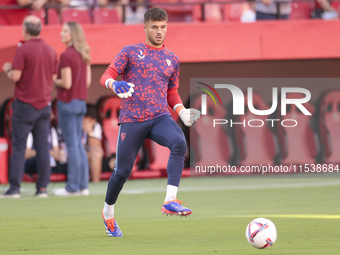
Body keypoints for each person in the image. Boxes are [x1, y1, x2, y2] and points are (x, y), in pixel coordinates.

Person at [99, 6, 200, 237]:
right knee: (122, 172)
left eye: (163, 27)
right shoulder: (130, 52)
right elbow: (106, 75)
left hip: (159, 117)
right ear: (145, 27)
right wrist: (114, 85)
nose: (159, 31)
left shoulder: (172, 59)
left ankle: (170, 200)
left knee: (179, 143)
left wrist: (182, 111)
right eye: (154, 27)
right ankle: (108, 213)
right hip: (132, 119)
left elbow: (171, 92)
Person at [1, 15, 58, 198]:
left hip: (25, 105)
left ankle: (14, 189)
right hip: (44, 105)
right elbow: (53, 78)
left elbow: (15, 76)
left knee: (18, 146)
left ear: (25, 30)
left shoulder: (23, 49)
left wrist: (8, 68)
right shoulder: (50, 50)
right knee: (43, 147)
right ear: (40, 29)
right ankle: (42, 188)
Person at [53, 21, 91, 197]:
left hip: (67, 103)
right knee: (78, 145)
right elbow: (88, 82)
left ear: (72, 34)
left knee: (72, 145)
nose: (61, 33)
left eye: (65, 31)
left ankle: (73, 186)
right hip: (81, 102)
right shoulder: (84, 54)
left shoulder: (67, 55)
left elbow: (66, 83)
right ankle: (83, 185)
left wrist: (52, 79)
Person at [82, 104, 104, 183]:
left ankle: (96, 184)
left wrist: (89, 131)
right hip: (69, 158)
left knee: (96, 154)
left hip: (87, 156)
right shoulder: (74, 125)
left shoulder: (95, 126)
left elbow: (96, 147)